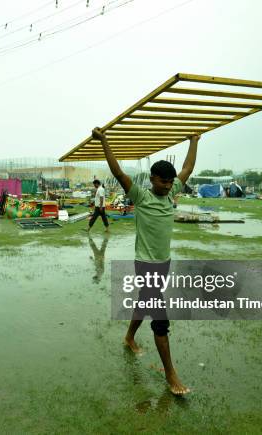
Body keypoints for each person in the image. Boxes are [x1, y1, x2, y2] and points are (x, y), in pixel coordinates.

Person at [91, 127, 199, 396]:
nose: (168, 186)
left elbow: (187, 168)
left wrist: (193, 141)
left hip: (164, 263)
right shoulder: (141, 195)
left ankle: (128, 338)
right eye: (163, 182)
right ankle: (171, 375)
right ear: (152, 179)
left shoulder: (172, 189)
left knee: (144, 301)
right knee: (160, 319)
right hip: (146, 265)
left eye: (170, 183)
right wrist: (105, 141)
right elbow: (118, 173)